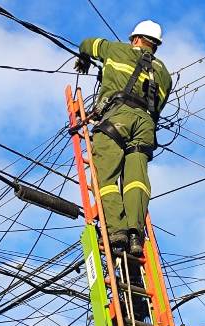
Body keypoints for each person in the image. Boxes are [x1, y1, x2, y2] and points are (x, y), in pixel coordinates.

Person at [75, 20, 172, 256]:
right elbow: (157, 109)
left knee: (106, 177)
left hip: (116, 118)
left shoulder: (115, 50)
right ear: (155, 46)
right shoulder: (165, 75)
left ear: (136, 39)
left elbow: (87, 44)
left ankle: (116, 231)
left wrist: (85, 58)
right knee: (136, 181)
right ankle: (135, 234)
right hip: (146, 126)